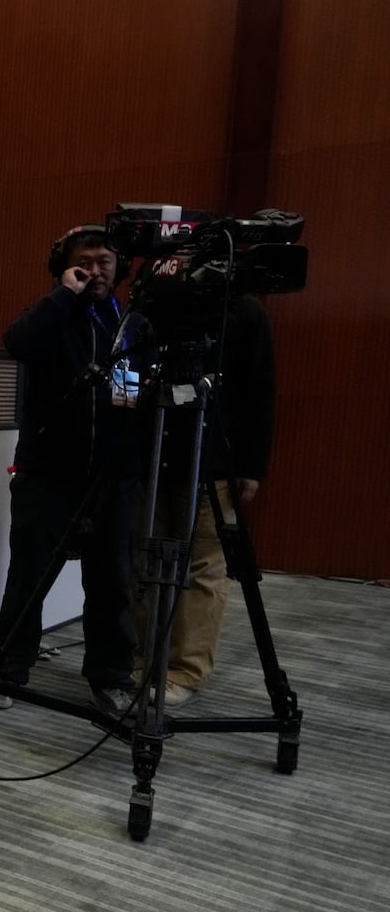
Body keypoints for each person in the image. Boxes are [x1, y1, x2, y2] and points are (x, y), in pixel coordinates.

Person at [0, 225, 143, 717]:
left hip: (109, 480)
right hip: (47, 474)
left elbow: (128, 395)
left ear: (121, 269)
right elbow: (19, 343)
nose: (96, 270)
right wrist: (63, 295)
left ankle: (110, 676)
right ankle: (5, 672)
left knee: (112, 583)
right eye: (85, 262)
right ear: (66, 267)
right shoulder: (52, 315)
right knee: (29, 579)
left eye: (105, 262)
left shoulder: (125, 325)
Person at [139, 293, 275, 707]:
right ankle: (143, 659)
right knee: (146, 563)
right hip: (152, 455)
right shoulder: (153, 302)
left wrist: (250, 466)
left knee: (202, 568)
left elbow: (260, 391)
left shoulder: (244, 311)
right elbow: (130, 369)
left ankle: (185, 670)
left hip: (214, 460)